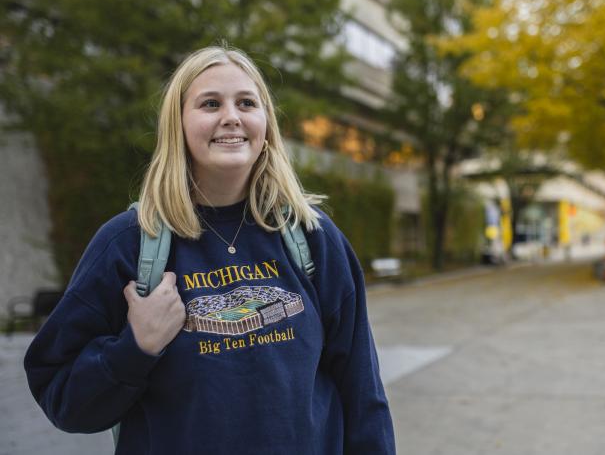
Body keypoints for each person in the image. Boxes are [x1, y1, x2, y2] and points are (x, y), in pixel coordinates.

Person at [24, 45, 396, 455]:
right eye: (210, 103)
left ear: (266, 124)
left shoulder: (313, 237)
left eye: (247, 103)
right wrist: (136, 348)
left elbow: (362, 394)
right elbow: (62, 398)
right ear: (178, 124)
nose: (231, 117)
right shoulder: (127, 243)